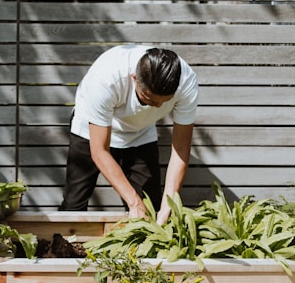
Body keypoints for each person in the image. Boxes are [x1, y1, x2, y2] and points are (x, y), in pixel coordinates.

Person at [59, 45, 199, 224]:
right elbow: (99, 151)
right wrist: (133, 202)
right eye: (148, 99)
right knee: (73, 205)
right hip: (90, 130)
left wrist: (168, 205)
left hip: (140, 132)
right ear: (134, 78)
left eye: (164, 102)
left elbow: (180, 149)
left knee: (149, 209)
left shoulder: (186, 82)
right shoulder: (106, 79)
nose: (157, 107)